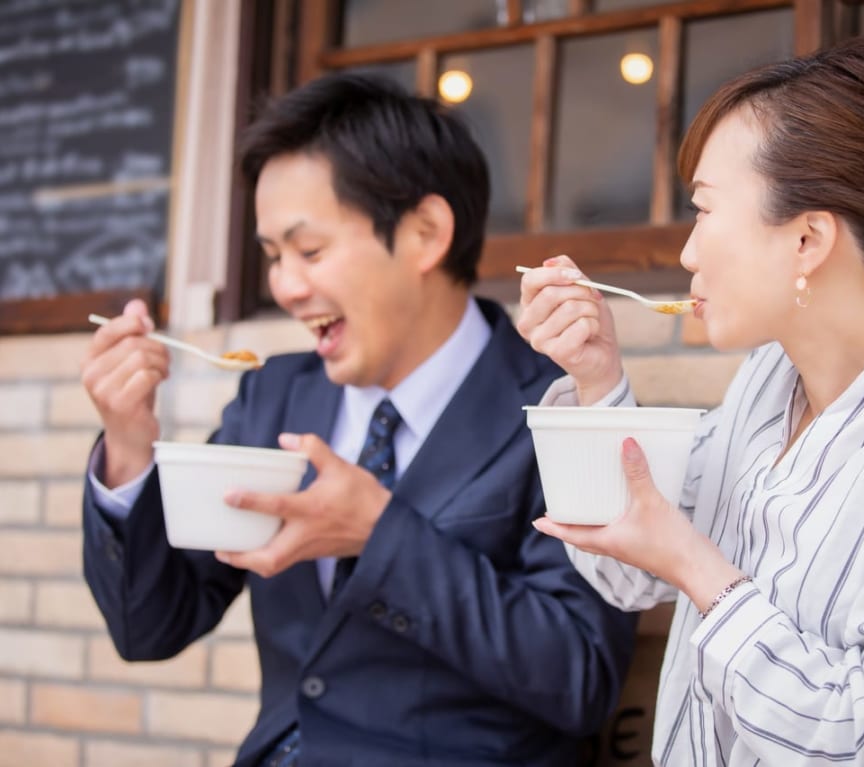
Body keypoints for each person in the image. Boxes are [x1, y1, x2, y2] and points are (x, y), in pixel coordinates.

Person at [80, 73, 636, 767]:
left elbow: (580, 677)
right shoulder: (273, 397)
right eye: (273, 256)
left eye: (309, 251)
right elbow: (150, 626)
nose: (285, 286)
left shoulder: (559, 410)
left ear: (426, 233)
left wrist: (380, 537)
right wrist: (130, 448)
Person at [517, 36, 864, 766]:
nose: (687, 253)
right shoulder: (763, 387)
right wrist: (597, 378)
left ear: (809, 238)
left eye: (703, 211)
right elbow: (629, 570)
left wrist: (702, 572)